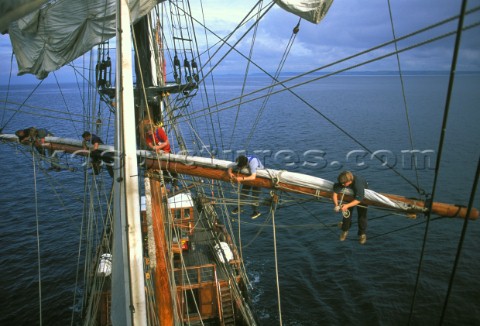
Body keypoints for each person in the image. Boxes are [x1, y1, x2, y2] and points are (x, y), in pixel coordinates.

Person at [332, 171, 369, 244]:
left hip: (361, 197)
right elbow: (334, 194)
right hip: (350, 195)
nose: (342, 184)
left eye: (344, 183)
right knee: (346, 214)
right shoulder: (342, 181)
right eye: (341, 183)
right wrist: (336, 205)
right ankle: (345, 230)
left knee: (362, 215)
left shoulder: (358, 184)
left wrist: (347, 205)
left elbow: (359, 199)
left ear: (350, 181)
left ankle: (362, 234)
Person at [227, 155, 264, 219]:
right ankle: (240, 208)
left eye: (241, 167)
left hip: (257, 178)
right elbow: (230, 167)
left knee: (254, 195)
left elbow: (253, 177)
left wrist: (241, 178)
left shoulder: (253, 163)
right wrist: (230, 173)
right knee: (243, 193)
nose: (240, 168)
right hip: (248, 176)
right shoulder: (240, 161)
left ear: (245, 164)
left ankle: (256, 211)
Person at [145, 125, 178, 190]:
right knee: (163, 168)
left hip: (166, 151)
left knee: (172, 168)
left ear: (152, 129)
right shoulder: (148, 134)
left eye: (149, 132)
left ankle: (175, 185)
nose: (148, 133)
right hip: (159, 152)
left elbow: (166, 142)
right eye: (147, 132)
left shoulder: (159, 131)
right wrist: (153, 147)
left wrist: (158, 147)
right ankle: (167, 183)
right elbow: (149, 142)